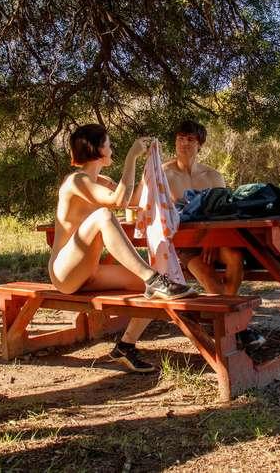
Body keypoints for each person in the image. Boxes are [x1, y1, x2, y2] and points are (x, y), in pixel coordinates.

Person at [48, 124, 196, 373]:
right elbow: (117, 202)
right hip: (64, 273)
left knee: (163, 283)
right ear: (97, 150)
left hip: (90, 272)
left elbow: (132, 200)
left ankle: (125, 346)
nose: (112, 148)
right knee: (103, 216)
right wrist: (131, 157)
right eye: (109, 144)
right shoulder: (76, 181)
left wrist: (148, 171)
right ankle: (152, 278)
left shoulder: (101, 180)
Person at [124, 120, 266, 351]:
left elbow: (224, 213)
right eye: (180, 138)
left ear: (200, 144)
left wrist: (214, 240)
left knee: (234, 257)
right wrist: (143, 171)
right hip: (183, 244)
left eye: (190, 139)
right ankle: (237, 326)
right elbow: (134, 202)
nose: (184, 143)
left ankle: (224, 318)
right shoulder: (164, 173)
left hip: (216, 239)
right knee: (206, 273)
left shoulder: (213, 176)